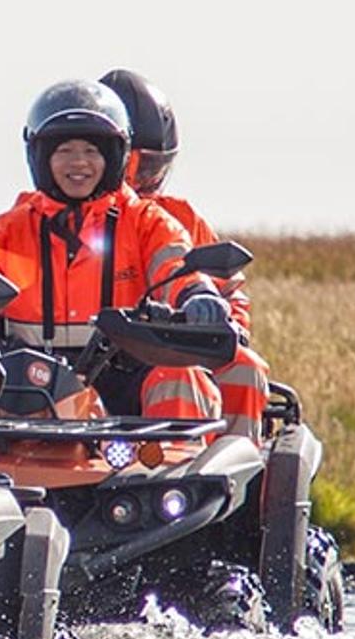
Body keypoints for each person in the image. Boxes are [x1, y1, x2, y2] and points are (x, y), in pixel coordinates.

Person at [0, 78, 225, 432]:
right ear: (40, 156)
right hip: (22, 387)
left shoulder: (147, 222)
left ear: (114, 158)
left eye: (92, 151)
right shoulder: (0, 233)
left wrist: (196, 293)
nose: (78, 162)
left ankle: (178, 485)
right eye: (63, 150)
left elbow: (174, 262)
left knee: (182, 375)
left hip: (125, 387)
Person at [101, 66, 269, 440]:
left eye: (152, 168)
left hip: (168, 352)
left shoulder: (182, 218)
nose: (141, 180)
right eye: (135, 166)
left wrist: (225, 324)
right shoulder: (63, 219)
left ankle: (232, 480)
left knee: (245, 368)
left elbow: (230, 292)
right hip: (89, 356)